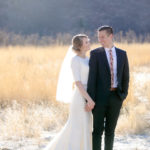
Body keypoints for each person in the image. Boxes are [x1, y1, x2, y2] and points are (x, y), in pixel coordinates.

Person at [44, 34, 95, 150]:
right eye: (86, 42)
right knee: (77, 127)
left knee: (87, 127)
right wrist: (89, 99)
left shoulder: (88, 59)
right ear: (80, 46)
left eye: (88, 41)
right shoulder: (74, 60)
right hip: (80, 97)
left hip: (89, 94)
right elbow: (78, 83)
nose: (89, 43)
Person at [87, 25, 129, 150]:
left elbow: (126, 76)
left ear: (111, 36)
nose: (100, 40)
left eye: (103, 37)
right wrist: (90, 99)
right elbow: (92, 79)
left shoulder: (122, 54)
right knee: (97, 131)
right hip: (99, 99)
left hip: (116, 97)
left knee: (110, 131)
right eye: (99, 37)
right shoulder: (95, 54)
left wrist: (123, 95)